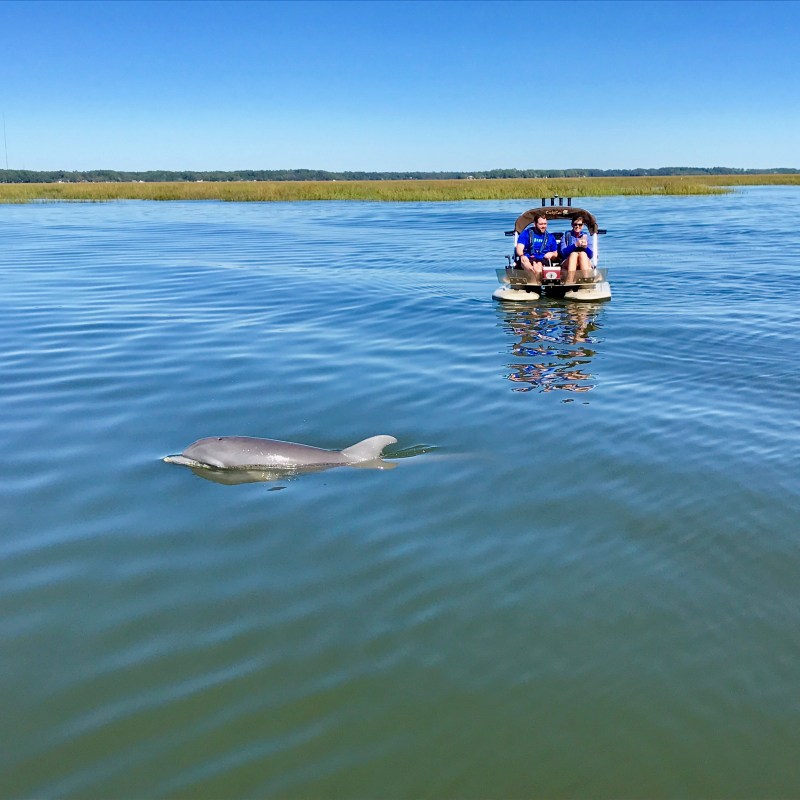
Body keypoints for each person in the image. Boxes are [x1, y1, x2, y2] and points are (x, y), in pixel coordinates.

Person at [515, 214, 559, 279]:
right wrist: (522, 255)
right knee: (525, 262)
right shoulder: (525, 233)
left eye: (545, 224)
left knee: (538, 267)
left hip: (542, 258)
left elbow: (555, 254)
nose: (543, 226)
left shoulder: (550, 237)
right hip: (527, 257)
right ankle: (533, 275)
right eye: (541, 224)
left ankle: (535, 280)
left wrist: (552, 253)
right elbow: (519, 248)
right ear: (535, 224)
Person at [559, 216, 595, 283]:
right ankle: (570, 280)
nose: (577, 226)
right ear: (572, 225)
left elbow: (591, 255)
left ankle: (586, 279)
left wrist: (585, 247)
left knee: (582, 254)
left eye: (580, 225)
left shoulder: (586, 236)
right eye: (575, 224)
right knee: (574, 254)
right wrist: (575, 245)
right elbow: (563, 252)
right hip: (568, 260)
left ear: (583, 225)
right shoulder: (566, 235)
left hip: (583, 259)